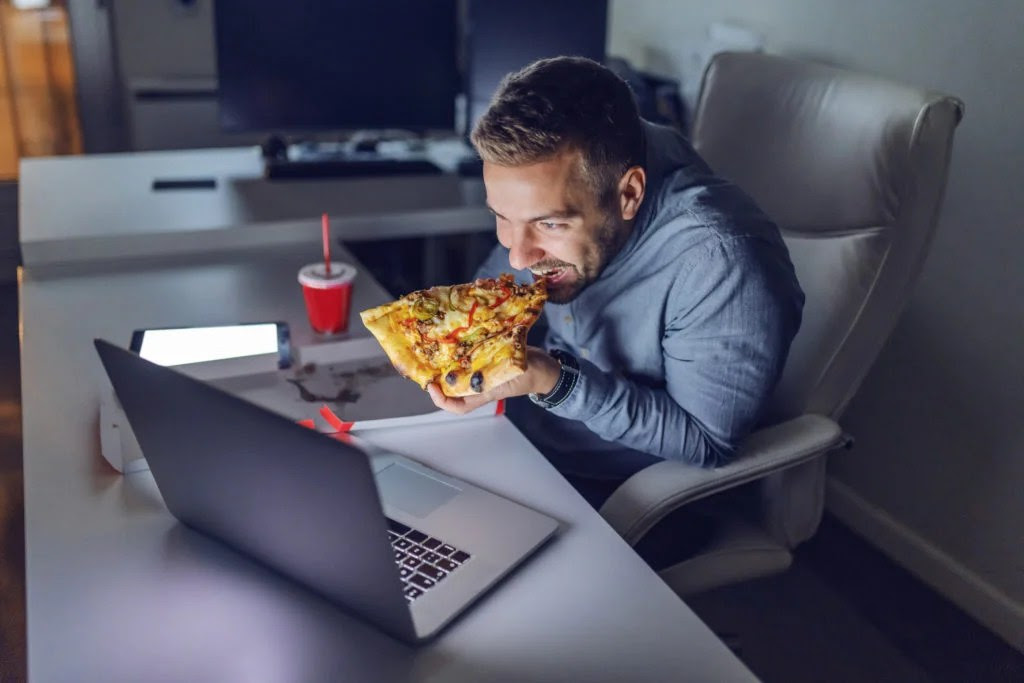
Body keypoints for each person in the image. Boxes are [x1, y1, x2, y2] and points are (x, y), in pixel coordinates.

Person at [426, 57, 804, 538]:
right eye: (502, 216)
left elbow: (707, 442)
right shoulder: (585, 160)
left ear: (629, 194)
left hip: (633, 493)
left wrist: (551, 379)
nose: (517, 257)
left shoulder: (723, 261)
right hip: (523, 442)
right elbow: (502, 285)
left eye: (550, 223)